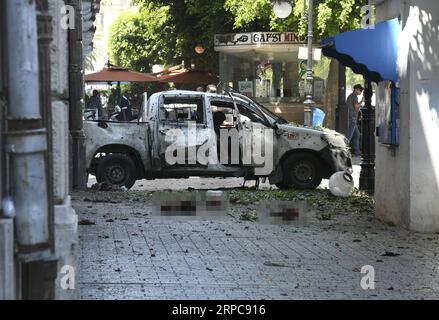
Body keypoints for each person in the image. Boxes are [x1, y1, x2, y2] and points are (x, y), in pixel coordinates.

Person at [346, 84, 364, 156]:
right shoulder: (354, 96)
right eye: (360, 90)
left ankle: (356, 151)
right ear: (356, 89)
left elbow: (356, 108)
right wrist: (361, 101)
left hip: (352, 117)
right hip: (352, 118)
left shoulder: (352, 96)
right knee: (349, 136)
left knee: (357, 134)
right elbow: (356, 106)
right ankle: (345, 150)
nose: (361, 92)